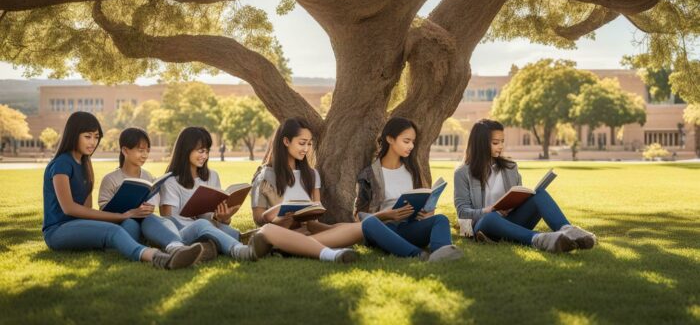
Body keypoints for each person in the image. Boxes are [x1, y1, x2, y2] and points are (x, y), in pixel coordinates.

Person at [161, 125, 360, 263]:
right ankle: (245, 251)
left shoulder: (212, 176)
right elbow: (170, 220)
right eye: (200, 151)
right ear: (185, 150)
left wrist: (224, 217)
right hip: (190, 231)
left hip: (216, 229)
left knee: (232, 233)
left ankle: (211, 250)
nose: (204, 156)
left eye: (207, 151)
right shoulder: (171, 181)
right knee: (222, 230)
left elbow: (213, 219)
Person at [42, 112, 201, 269]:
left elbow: (87, 209)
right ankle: (159, 258)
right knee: (114, 230)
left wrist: (128, 215)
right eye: (88, 136)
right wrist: (121, 216)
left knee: (145, 218)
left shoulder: (85, 165)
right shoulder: (61, 164)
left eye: (96, 137)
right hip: (57, 231)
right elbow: (69, 208)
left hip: (79, 226)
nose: (93, 142)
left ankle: (177, 248)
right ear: (73, 135)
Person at [453, 119, 596, 253]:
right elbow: (462, 213)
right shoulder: (462, 173)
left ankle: (570, 232)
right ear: (481, 144)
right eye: (496, 143)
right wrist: (489, 210)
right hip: (483, 226)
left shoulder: (510, 167)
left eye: (502, 141)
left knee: (539, 193)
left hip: (512, 222)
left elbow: (518, 195)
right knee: (491, 217)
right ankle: (539, 239)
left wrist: (515, 203)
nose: (501, 146)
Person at [355, 117, 463, 262]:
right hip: (385, 229)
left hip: (410, 227)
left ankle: (442, 252)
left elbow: (421, 201)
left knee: (441, 219)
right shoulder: (369, 175)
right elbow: (359, 217)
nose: (411, 146)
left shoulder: (412, 170)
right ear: (390, 139)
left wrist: (427, 213)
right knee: (369, 223)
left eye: (413, 142)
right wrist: (387, 215)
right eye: (406, 141)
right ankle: (417, 254)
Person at [98, 127, 209, 261]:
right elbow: (103, 212)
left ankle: (177, 248)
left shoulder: (148, 176)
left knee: (159, 219)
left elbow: (153, 202)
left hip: (145, 223)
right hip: (122, 225)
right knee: (131, 223)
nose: (145, 155)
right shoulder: (110, 179)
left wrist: (148, 208)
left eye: (147, 151)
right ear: (125, 150)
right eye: (140, 150)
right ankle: (123, 247)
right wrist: (129, 214)